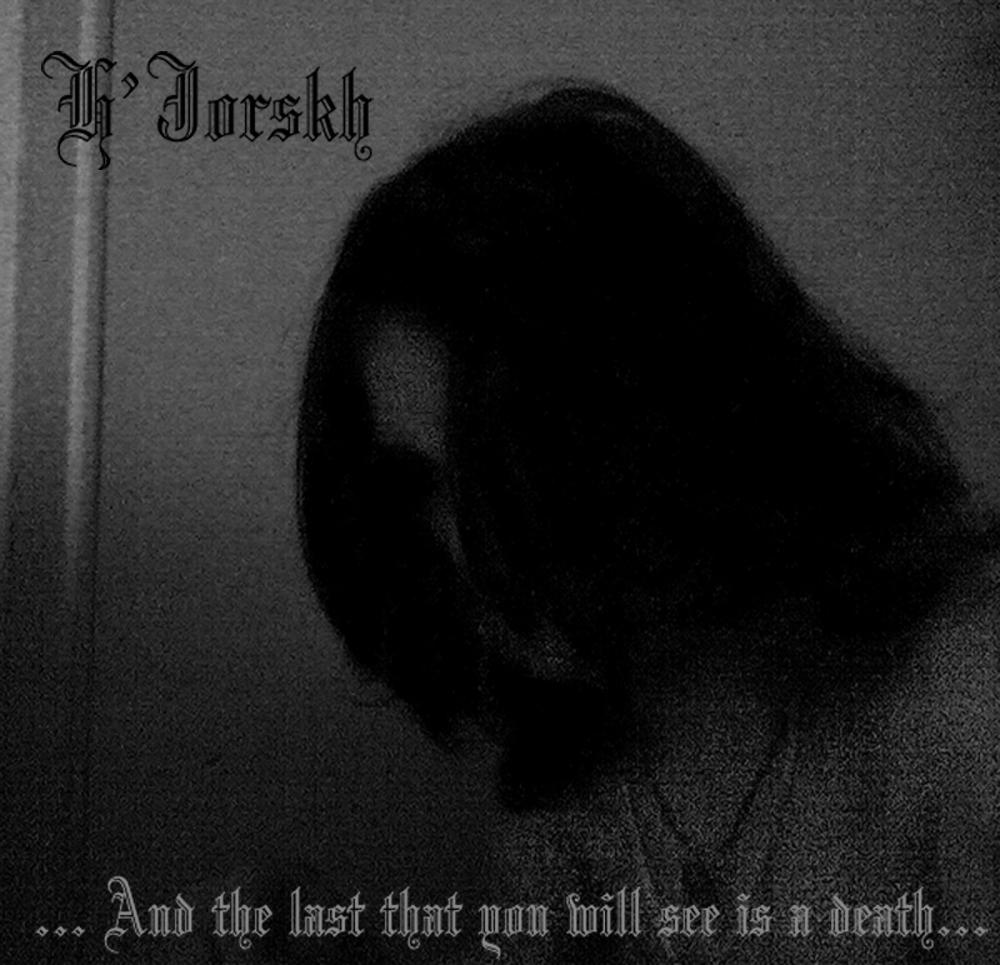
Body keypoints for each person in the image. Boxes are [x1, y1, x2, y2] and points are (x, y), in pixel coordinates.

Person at [296, 82, 999, 963]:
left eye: (517, 464)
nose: (468, 550)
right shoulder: (572, 788)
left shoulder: (960, 712)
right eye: (424, 483)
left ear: (681, 411)